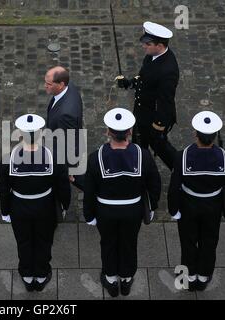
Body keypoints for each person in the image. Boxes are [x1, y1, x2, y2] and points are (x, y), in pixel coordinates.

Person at [83, 108, 161, 297]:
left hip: (106, 211)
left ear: (108, 132)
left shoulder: (95, 157)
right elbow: (154, 183)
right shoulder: (143, 154)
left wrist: (89, 215)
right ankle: (126, 280)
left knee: (108, 243)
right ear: (130, 132)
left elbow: (90, 191)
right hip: (133, 211)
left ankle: (110, 280)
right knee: (129, 243)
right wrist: (152, 207)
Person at [0, 114, 71, 291]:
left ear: (21, 135)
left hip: (19, 207)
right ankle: (41, 274)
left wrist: (5, 211)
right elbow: (63, 186)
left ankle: (27, 275)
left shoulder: (8, 159)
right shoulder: (54, 157)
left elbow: (3, 189)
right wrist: (64, 205)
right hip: (45, 207)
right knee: (44, 241)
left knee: (23, 242)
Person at [168, 111, 225, 291]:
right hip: (213, 207)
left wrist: (174, 210)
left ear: (195, 134)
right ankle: (203, 275)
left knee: (188, 241)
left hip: (188, 206)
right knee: (209, 241)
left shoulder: (181, 156)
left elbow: (174, 186)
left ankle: (188, 276)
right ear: (215, 136)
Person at [116, 21, 179, 170]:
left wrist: (158, 127)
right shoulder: (152, 56)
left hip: (154, 118)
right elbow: (143, 78)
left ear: (160, 45)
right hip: (142, 112)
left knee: (162, 148)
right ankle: (139, 169)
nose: (144, 46)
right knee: (139, 144)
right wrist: (129, 83)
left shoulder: (168, 70)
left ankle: (181, 171)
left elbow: (166, 101)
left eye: (148, 44)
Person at [45, 66, 85, 191]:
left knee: (64, 180)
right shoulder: (70, 86)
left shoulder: (66, 114)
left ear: (61, 84)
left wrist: (69, 168)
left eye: (49, 84)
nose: (45, 86)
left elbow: (70, 142)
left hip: (62, 154)